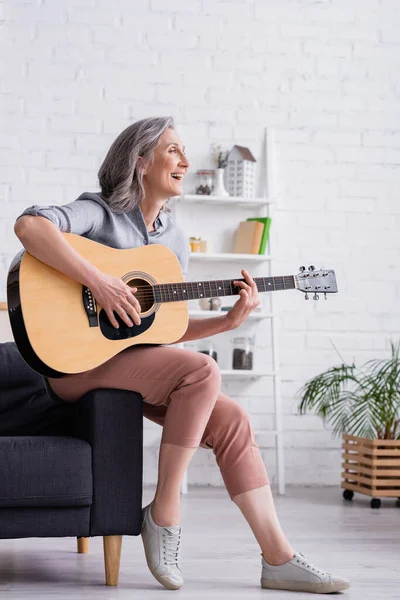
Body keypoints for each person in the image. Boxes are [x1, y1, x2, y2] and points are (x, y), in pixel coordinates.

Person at [14, 116, 350, 594]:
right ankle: (165, 511)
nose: (186, 162)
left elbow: (164, 329)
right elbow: (29, 226)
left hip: (126, 366)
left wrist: (227, 322)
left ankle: (279, 558)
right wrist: (99, 281)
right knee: (203, 371)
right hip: (71, 365)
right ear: (140, 161)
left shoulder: (172, 242)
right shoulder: (98, 213)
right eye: (174, 151)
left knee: (231, 419)